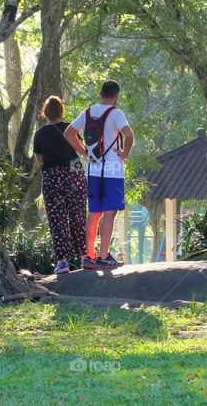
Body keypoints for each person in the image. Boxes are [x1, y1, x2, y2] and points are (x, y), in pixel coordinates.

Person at [64, 80, 134, 270]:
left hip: (92, 170)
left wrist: (84, 152)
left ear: (100, 92)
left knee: (94, 212)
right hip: (112, 171)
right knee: (110, 212)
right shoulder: (115, 113)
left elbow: (69, 133)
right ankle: (104, 256)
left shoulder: (87, 113)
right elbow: (129, 135)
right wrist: (125, 154)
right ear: (116, 96)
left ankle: (88, 256)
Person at [32, 96, 87, 274]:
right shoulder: (70, 129)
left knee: (57, 219)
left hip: (51, 176)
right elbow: (82, 150)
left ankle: (62, 262)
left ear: (45, 113)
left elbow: (39, 159)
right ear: (61, 111)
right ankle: (84, 257)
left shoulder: (39, 134)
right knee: (78, 215)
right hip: (74, 173)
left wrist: (52, 168)